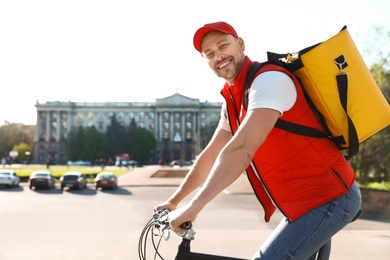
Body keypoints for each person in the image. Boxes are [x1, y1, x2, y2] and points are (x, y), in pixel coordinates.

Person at [154, 21, 362, 259]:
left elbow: (240, 150)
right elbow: (211, 155)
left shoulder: (268, 81)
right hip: (302, 203)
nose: (218, 56)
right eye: (209, 54)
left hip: (330, 198)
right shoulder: (233, 99)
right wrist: (174, 201)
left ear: (240, 44)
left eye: (223, 46)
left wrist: (193, 209)